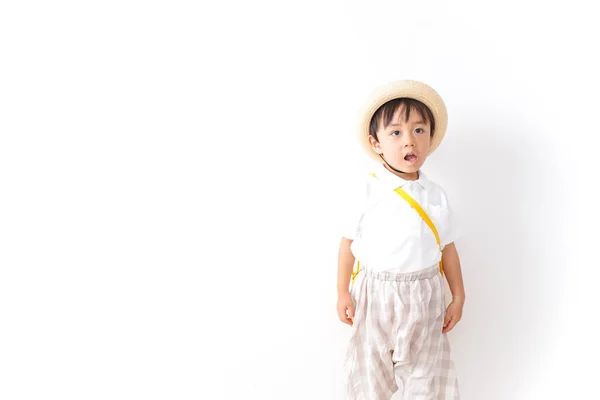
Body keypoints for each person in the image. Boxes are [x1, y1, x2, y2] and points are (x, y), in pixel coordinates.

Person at [337, 80, 466, 399]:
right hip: (375, 297)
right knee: (372, 378)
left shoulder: (434, 195)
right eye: (396, 132)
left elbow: (447, 248)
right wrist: (342, 292)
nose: (409, 140)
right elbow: (347, 245)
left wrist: (458, 295)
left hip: (424, 296)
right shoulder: (368, 190)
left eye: (419, 130)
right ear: (376, 142)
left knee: (424, 379)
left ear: (430, 137)